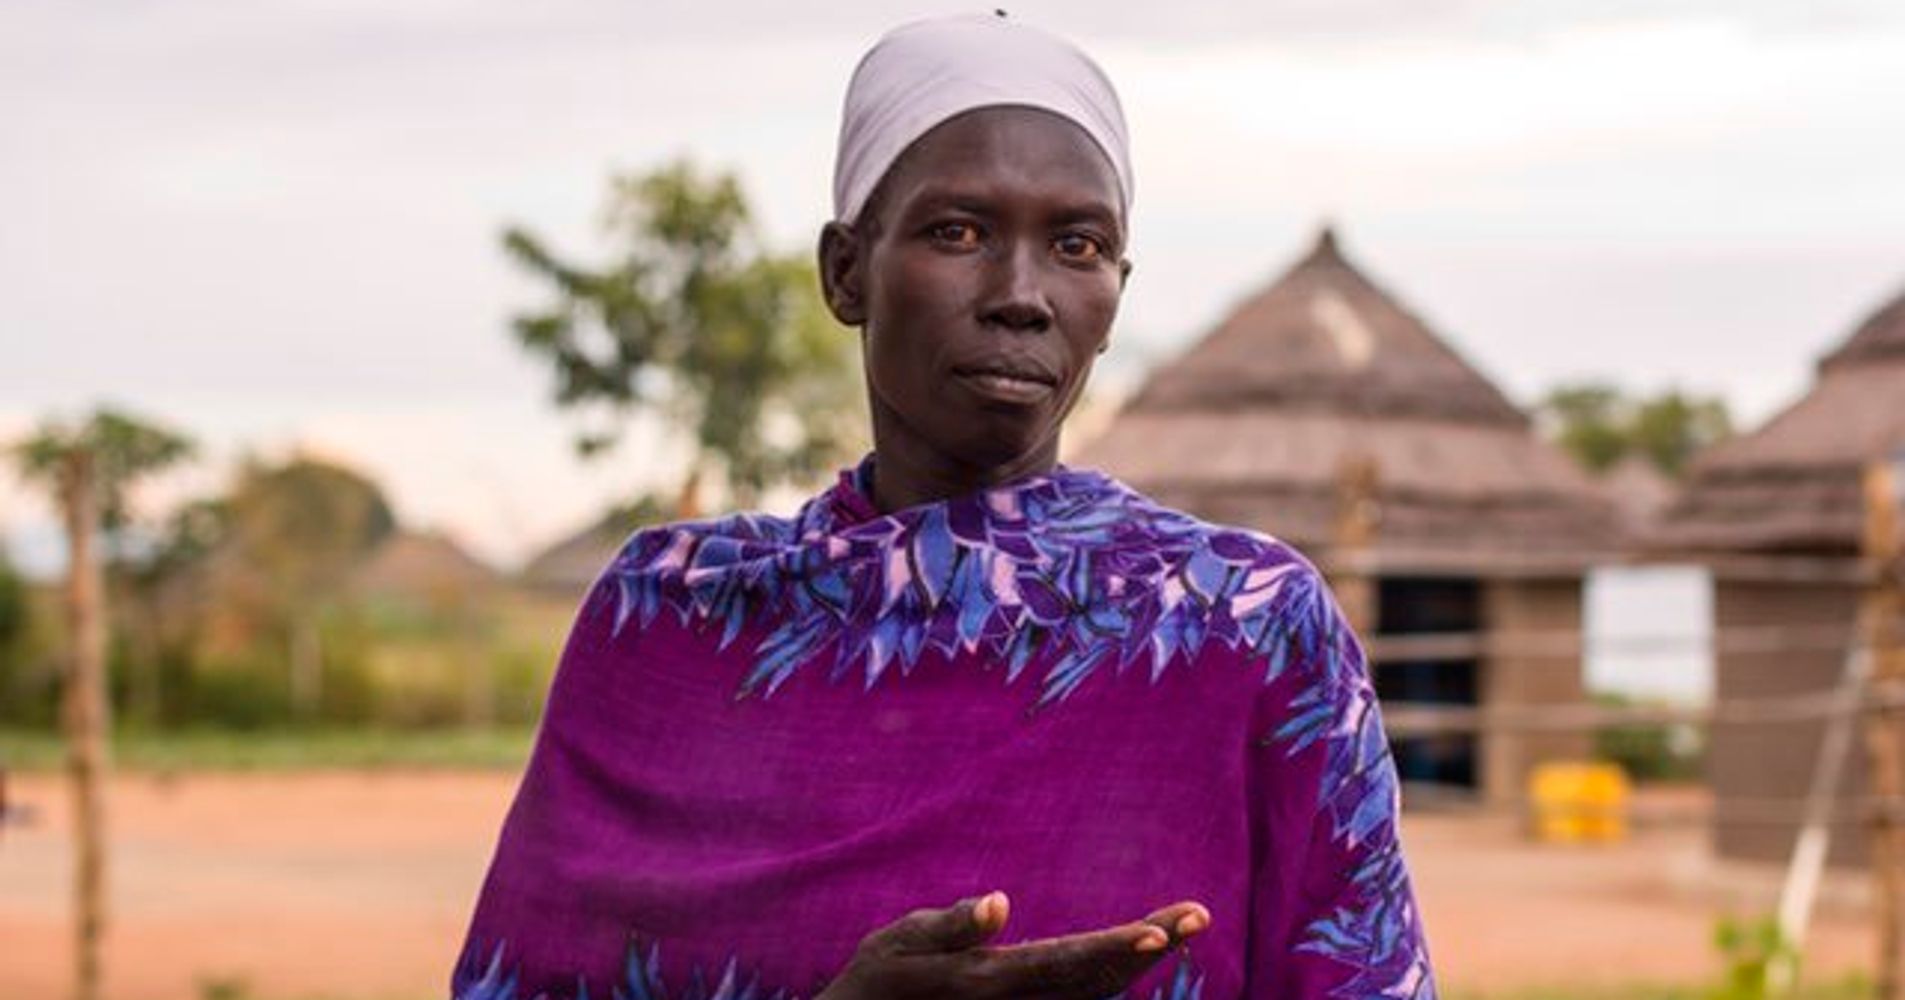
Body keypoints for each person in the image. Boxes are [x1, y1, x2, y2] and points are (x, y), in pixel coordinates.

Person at [452, 13, 1435, 1000]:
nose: (1022, 294)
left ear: (1115, 293)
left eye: (1077, 244)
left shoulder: (1244, 625)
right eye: (957, 232)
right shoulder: (673, 621)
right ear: (846, 272)